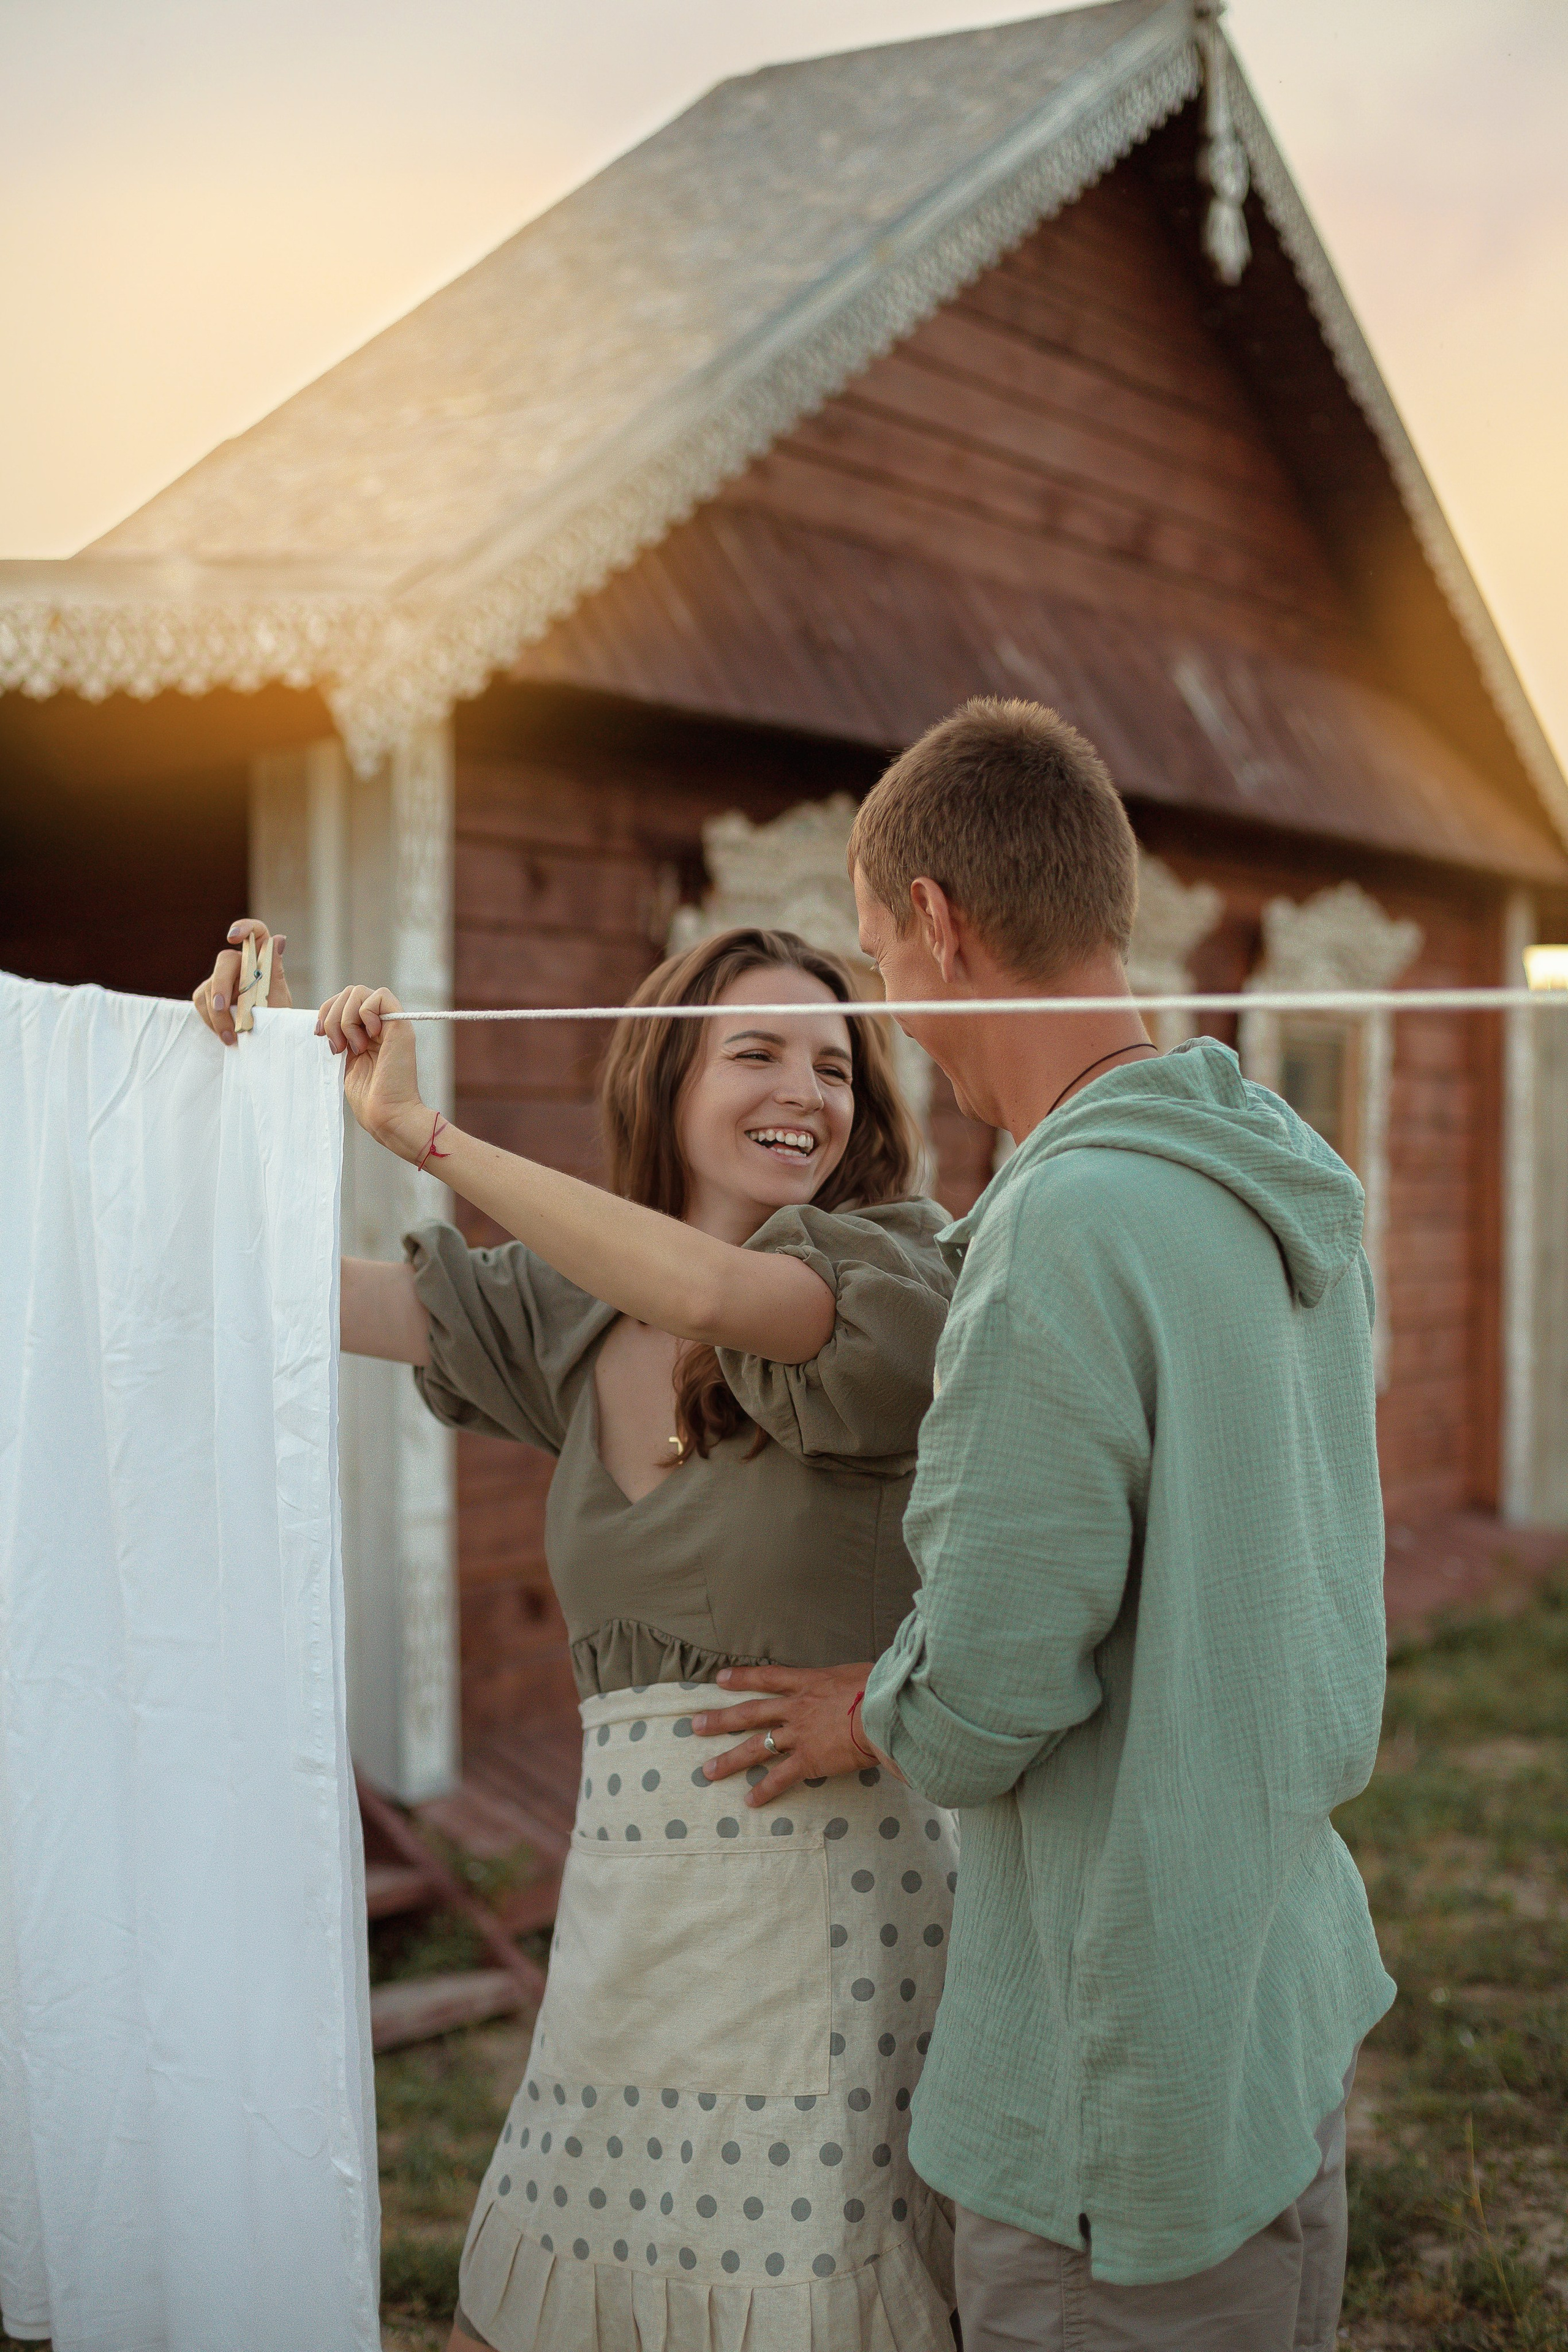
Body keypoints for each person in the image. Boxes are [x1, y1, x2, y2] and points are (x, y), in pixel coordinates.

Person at [693, 699, 1396, 2352]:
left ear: (934, 922)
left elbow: (987, 1700)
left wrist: (876, 1706)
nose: (887, 1005)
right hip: (1270, 1993)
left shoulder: (1064, 1226)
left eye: (877, 954)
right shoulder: (1270, 1170)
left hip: (1117, 2089)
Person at [194, 922, 960, 2352]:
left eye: (835, 1066)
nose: (804, 1092)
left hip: (834, 1905)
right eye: (755, 1052)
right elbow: (277, 1283)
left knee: (795, 2310)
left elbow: (718, 1297)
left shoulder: (889, 1275)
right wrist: (255, 1083)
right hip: (626, 1910)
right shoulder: (564, 1312)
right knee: (529, 2305)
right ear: (666, 1077)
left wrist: (423, 1135)